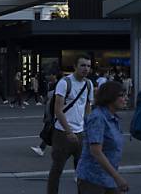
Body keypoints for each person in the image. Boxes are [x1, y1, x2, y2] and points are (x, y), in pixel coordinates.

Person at [46, 55, 94, 194]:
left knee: (82, 171)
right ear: (75, 66)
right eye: (83, 65)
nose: (86, 69)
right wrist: (68, 131)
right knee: (57, 170)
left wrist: (87, 127)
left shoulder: (88, 84)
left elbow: (87, 106)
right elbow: (58, 110)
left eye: (88, 66)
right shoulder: (65, 82)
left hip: (80, 133)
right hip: (62, 133)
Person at [76, 81, 129, 194]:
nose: (126, 99)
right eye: (122, 95)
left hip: (107, 178)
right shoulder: (98, 118)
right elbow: (96, 151)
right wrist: (117, 177)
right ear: (110, 97)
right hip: (93, 178)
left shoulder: (113, 117)